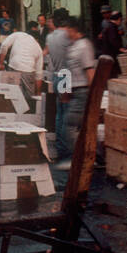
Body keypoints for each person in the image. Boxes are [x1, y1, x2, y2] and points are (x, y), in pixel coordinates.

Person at [54, 17, 97, 171]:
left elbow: (90, 72)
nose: (65, 33)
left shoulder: (84, 46)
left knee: (69, 126)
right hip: (75, 91)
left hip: (82, 91)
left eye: (66, 29)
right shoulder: (73, 46)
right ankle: (86, 158)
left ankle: (78, 161)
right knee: (75, 127)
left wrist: (93, 96)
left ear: (73, 29)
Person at [0, 27, 45, 100]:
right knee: (28, 100)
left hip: (14, 66)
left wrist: (1, 63)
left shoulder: (18, 34)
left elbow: (4, 45)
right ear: (37, 39)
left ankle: (12, 109)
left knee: (12, 96)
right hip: (28, 70)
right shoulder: (38, 47)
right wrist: (38, 93)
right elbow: (39, 75)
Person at [99, 9, 125, 76]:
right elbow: (112, 40)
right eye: (121, 20)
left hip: (108, 53)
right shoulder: (112, 27)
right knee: (112, 73)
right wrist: (119, 48)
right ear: (119, 19)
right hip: (110, 53)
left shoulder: (109, 26)